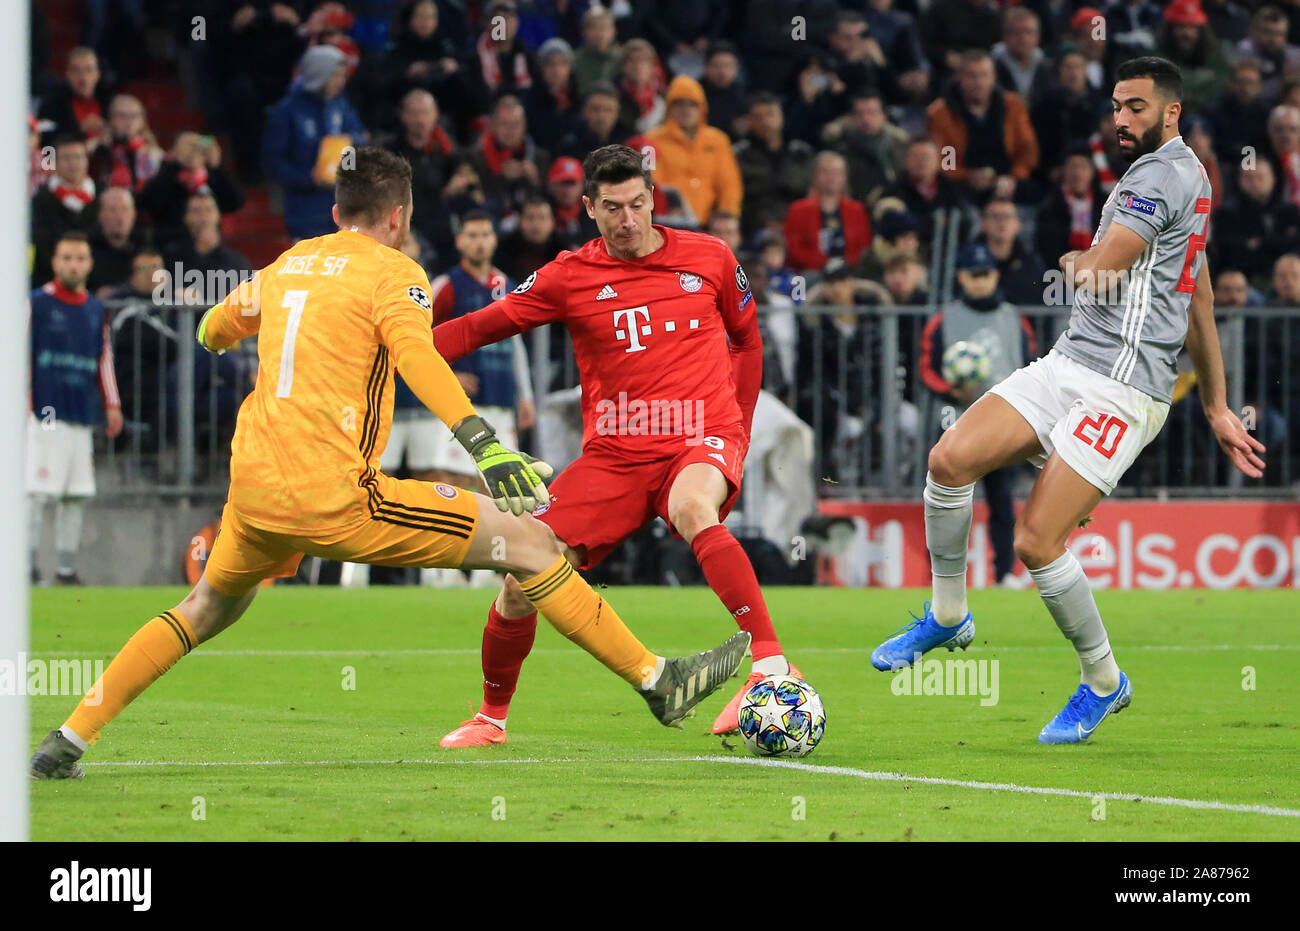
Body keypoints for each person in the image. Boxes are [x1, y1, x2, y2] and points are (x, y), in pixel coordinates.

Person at [29, 146, 750, 780]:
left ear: (337, 208)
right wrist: (482, 441)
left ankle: (71, 732)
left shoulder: (289, 262)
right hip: (336, 496)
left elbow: (217, 327)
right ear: (399, 215)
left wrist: (235, 336)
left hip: (252, 494)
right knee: (532, 542)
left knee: (203, 608)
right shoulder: (394, 274)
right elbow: (417, 355)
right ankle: (659, 679)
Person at [870, 57, 1264, 744]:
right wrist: (1215, 405)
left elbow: (1100, 273)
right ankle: (948, 613)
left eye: (1136, 107)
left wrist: (1073, 264)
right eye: (1116, 106)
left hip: (1124, 390)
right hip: (1068, 364)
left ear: (1172, 112)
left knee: (1035, 538)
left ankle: (1104, 680)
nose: (1120, 119)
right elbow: (1195, 292)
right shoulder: (1187, 180)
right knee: (950, 460)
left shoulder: (1164, 177)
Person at [430, 144, 799, 747]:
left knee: (692, 509)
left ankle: (769, 666)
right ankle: (491, 718)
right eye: (612, 208)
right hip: (617, 453)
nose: (628, 220)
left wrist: (737, 423)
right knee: (524, 571)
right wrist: (401, 351)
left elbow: (747, 340)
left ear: (652, 197)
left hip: (699, 433)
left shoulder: (710, 257)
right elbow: (480, 326)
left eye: (636, 204)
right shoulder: (568, 276)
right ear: (588, 210)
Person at [918, 242, 1038, 587]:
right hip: (954, 421)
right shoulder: (943, 318)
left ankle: (1003, 574)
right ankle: (943, 578)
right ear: (961, 277)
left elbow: (1032, 363)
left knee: (1002, 502)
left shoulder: (1014, 318)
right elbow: (926, 366)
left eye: (985, 274)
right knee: (950, 505)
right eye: (974, 275)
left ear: (995, 275)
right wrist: (947, 388)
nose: (980, 281)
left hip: (1002, 424)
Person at [28, 231, 123, 586]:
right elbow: (20, 354)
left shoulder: (96, 309)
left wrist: (112, 404)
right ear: (54, 262)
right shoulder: (36, 303)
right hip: (44, 413)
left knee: (76, 494)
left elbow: (104, 359)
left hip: (82, 413)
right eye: (66, 257)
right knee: (37, 492)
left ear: (89, 263)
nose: (73, 264)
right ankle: (28, 565)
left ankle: (66, 570)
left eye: (79, 258)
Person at [263, 44, 366, 240]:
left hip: (344, 207)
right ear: (319, 74)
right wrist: (308, 179)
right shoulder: (286, 111)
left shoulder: (340, 104)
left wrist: (350, 145)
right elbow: (273, 162)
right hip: (305, 211)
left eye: (343, 75)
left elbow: (359, 137)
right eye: (336, 75)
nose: (341, 82)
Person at [645, 74, 743, 227]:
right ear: (669, 108)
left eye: (692, 104)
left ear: (702, 108)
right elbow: (648, 180)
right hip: (668, 223)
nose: (686, 110)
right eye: (679, 104)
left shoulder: (718, 140)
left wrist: (727, 214)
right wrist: (666, 206)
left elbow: (729, 184)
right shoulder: (650, 140)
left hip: (709, 225)